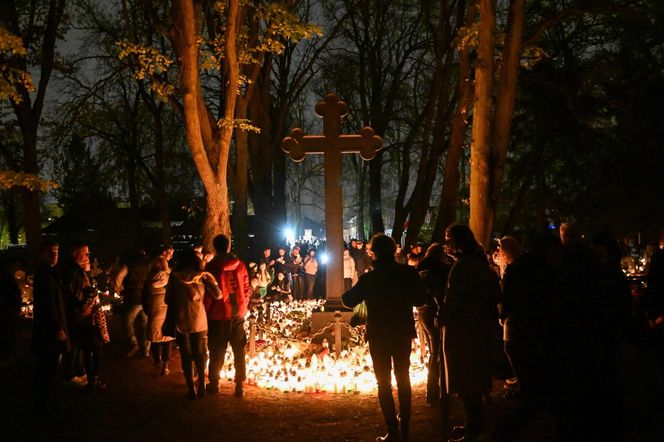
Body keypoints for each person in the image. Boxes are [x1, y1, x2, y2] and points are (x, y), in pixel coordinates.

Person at [343, 233, 426, 442]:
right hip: (401, 331)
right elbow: (420, 299)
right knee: (403, 377)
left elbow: (348, 300)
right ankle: (405, 428)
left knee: (384, 382)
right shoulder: (407, 273)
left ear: (373, 253)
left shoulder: (370, 278)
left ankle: (394, 430)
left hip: (380, 333)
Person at [440, 225, 500, 441]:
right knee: (471, 378)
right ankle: (474, 422)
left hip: (464, 332)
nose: (446, 243)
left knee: (467, 379)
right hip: (476, 329)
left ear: (458, 242)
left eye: (448, 239)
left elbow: (455, 300)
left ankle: (476, 426)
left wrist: (442, 315)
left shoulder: (465, 267)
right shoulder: (477, 265)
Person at [166, 249, 221, 399]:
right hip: (199, 319)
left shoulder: (174, 277)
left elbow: (167, 299)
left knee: (186, 354)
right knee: (199, 352)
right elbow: (218, 295)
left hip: (181, 319)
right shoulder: (202, 276)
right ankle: (202, 385)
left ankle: (191, 389)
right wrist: (210, 280)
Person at [204, 234, 251, 398]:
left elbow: (209, 294)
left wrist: (207, 311)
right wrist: (243, 306)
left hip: (218, 315)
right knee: (239, 351)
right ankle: (239, 386)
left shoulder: (211, 267)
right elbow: (247, 289)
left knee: (217, 350)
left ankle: (214, 383)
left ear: (215, 248)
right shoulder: (241, 266)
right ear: (228, 246)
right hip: (237, 314)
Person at [32, 240, 68, 409]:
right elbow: (49, 303)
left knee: (50, 364)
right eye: (50, 252)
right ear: (42, 254)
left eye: (56, 251)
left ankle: (46, 398)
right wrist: (58, 327)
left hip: (50, 326)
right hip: (48, 328)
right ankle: (44, 401)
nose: (54, 255)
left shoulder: (51, 273)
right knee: (48, 364)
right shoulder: (44, 275)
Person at [416, 243, 450, 405]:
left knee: (433, 351)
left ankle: (434, 390)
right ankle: (437, 391)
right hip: (435, 310)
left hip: (422, 310)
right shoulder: (442, 268)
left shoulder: (421, 265)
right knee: (437, 352)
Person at [60, 241, 93, 384]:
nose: (87, 255)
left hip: (79, 312)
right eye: (84, 252)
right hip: (74, 314)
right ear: (75, 253)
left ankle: (79, 370)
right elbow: (69, 293)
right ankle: (70, 374)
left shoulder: (76, 269)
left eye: (88, 253)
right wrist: (82, 305)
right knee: (73, 344)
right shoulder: (72, 271)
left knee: (79, 343)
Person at [143, 246, 175, 375]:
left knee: (155, 339)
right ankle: (165, 365)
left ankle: (157, 361)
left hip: (153, 310)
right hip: (167, 311)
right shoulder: (169, 278)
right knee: (167, 339)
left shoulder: (149, 278)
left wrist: (147, 309)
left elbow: (144, 295)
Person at [115, 249, 151, 357]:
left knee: (127, 322)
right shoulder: (149, 264)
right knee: (145, 325)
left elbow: (119, 276)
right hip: (145, 298)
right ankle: (146, 350)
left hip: (132, 297)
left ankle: (133, 343)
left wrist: (118, 289)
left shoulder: (129, 264)